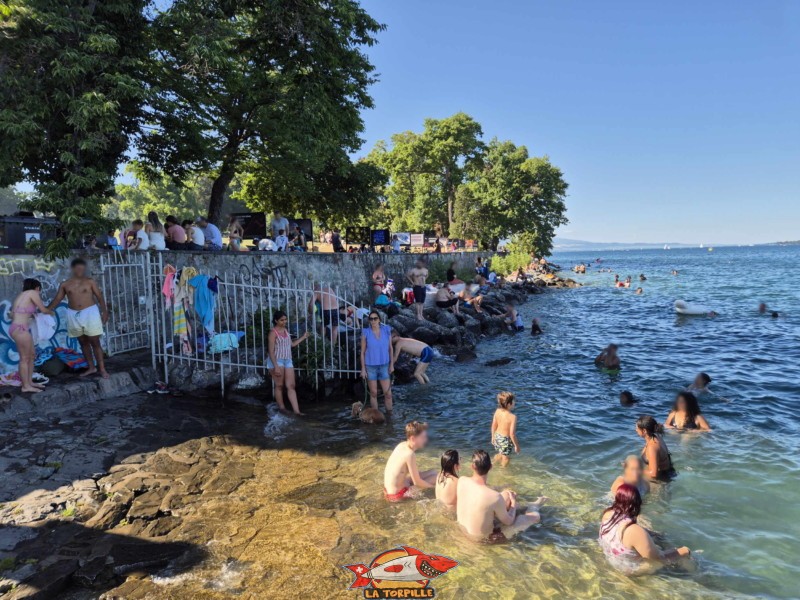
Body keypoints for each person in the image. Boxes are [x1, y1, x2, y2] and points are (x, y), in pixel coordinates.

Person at [456, 450, 547, 543]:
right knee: (532, 517)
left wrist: (509, 499)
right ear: (490, 467)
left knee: (506, 494)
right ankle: (534, 506)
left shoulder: (462, 480)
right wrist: (513, 502)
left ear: (472, 466)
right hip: (481, 540)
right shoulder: (494, 496)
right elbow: (509, 522)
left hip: (462, 531)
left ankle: (523, 506)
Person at [599, 484, 690, 575]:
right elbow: (659, 559)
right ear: (638, 503)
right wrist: (684, 551)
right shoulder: (633, 530)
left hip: (613, 561)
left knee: (655, 537)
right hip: (630, 571)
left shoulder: (607, 514)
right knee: (684, 555)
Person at [47, 258, 110, 378]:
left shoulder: (90, 282)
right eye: (77, 268)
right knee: (83, 342)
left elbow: (100, 297)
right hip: (73, 314)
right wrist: (46, 310)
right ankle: (91, 367)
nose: (80, 270)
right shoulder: (65, 284)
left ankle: (102, 369)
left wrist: (105, 312)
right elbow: (57, 299)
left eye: (82, 268)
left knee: (95, 341)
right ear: (73, 269)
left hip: (90, 313)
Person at [9, 279, 54, 393]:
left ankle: (29, 382)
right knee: (24, 358)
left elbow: (14, 315)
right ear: (37, 288)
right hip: (20, 329)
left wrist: (31, 316)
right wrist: (51, 313)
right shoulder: (33, 293)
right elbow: (43, 309)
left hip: (17, 328)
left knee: (32, 355)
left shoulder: (22, 295)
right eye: (39, 290)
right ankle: (25, 386)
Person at [383, 421, 437, 502]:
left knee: (433, 472)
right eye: (422, 437)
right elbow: (417, 482)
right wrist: (433, 487)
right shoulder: (410, 454)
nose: (425, 440)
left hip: (388, 490)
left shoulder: (402, 445)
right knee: (436, 478)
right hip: (396, 496)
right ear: (413, 438)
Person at [267, 310, 309, 415]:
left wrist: (303, 337)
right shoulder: (273, 333)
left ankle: (297, 411)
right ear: (276, 321)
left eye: (285, 319)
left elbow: (292, 345)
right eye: (282, 320)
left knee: (291, 386)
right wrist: (276, 366)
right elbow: (271, 351)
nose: (284, 322)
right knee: (279, 385)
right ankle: (282, 408)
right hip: (277, 360)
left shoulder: (285, 330)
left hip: (288, 360)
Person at [360, 310, 394, 412]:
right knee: (373, 393)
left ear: (379, 320)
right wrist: (363, 369)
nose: (373, 321)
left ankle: (389, 417)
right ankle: (375, 417)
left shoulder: (386, 330)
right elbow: (362, 352)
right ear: (369, 321)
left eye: (375, 318)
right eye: (371, 319)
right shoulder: (366, 332)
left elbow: (390, 348)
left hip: (384, 365)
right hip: (370, 366)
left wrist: (392, 365)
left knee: (388, 394)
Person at [636, 416, 675, 481]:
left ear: (644, 431)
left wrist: (634, 470)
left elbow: (654, 474)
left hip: (659, 481)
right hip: (666, 473)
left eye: (637, 428)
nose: (636, 430)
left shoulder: (652, 447)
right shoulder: (656, 437)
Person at [491, 391, 520, 466]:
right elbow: (512, 434)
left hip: (497, 436)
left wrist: (493, 437)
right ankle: (502, 471)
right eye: (513, 401)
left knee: (500, 453)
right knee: (506, 458)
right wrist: (516, 446)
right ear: (509, 404)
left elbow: (493, 425)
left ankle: (492, 463)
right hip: (505, 441)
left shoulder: (497, 411)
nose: (514, 402)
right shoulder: (513, 417)